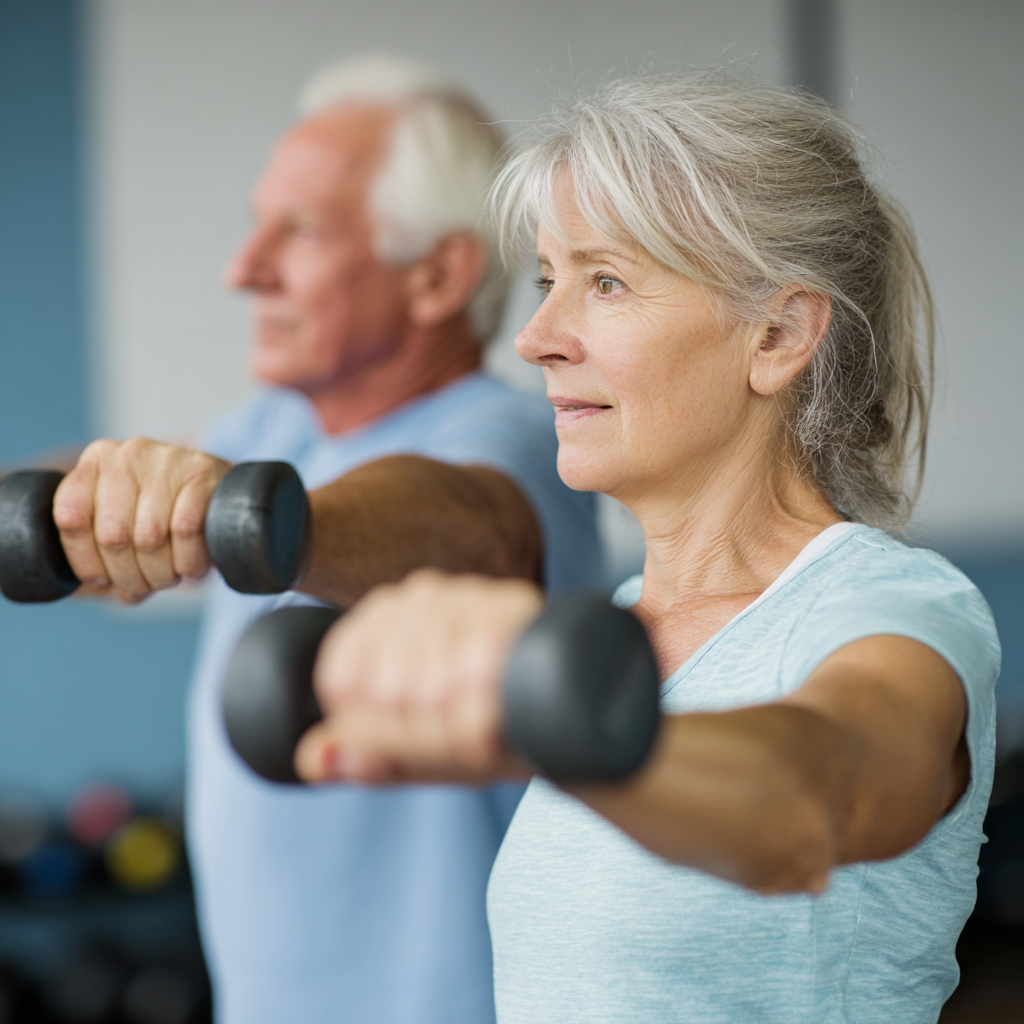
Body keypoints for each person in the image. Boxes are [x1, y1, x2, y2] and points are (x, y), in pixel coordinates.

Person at [295, 71, 1000, 1023]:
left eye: (607, 281)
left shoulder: (889, 609)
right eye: (549, 282)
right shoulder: (616, 634)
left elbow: (816, 795)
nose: (537, 337)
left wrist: (574, 729)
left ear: (780, 334)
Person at [50, 55, 600, 1023]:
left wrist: (262, 519)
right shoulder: (276, 431)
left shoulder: (513, 436)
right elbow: (125, 506)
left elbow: (464, 524)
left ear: (436, 273)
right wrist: (103, 498)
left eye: (297, 230)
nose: (243, 268)